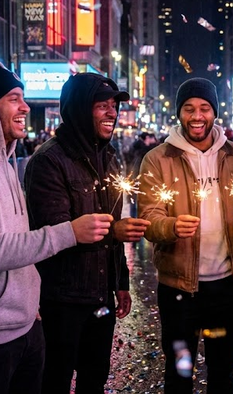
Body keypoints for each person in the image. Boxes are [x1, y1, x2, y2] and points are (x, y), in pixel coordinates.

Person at [0, 62, 113, 394]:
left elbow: (19, 239)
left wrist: (28, 304)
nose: (25, 107)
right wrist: (69, 232)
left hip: (21, 328)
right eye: (14, 99)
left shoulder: (3, 161)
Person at [24, 73, 149, 394]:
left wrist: (121, 283)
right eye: (102, 106)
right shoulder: (49, 160)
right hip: (61, 299)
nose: (112, 113)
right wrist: (114, 231)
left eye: (114, 106)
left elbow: (114, 227)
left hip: (100, 296)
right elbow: (52, 233)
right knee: (55, 380)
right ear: (80, 108)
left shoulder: (108, 156)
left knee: (94, 379)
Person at [138, 77, 233, 393]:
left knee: (222, 374)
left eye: (204, 108)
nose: (197, 115)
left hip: (227, 289)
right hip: (179, 290)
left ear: (214, 113)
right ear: (180, 113)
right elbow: (147, 219)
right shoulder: (158, 158)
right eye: (189, 108)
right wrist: (170, 227)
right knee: (178, 375)